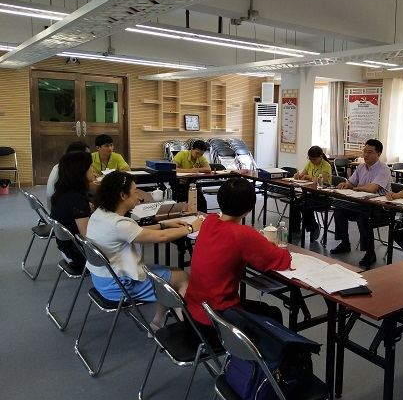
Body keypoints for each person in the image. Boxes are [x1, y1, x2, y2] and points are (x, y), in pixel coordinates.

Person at [86, 171, 201, 331]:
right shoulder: (119, 224)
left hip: (103, 280)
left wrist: (164, 224)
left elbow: (136, 231)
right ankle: (187, 330)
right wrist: (191, 228)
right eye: (135, 192)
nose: (139, 197)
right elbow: (161, 237)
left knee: (168, 274)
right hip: (119, 288)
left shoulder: (100, 214)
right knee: (182, 277)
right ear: (122, 195)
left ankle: (158, 323)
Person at [185, 177, 292, 346]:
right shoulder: (243, 234)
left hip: (192, 314)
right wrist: (269, 245)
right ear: (249, 209)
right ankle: (266, 359)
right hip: (217, 323)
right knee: (273, 313)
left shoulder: (209, 221)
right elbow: (282, 260)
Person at [330, 139, 391, 266]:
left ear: (378, 154)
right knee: (339, 210)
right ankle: (345, 243)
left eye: (370, 152)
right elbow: (351, 182)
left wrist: (356, 188)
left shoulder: (383, 169)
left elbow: (372, 188)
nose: (366, 155)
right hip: (361, 204)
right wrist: (346, 185)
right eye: (365, 151)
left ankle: (370, 253)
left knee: (363, 218)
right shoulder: (361, 167)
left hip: (379, 209)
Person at [50, 151, 94, 273]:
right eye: (90, 166)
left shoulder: (62, 192)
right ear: (80, 171)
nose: (93, 170)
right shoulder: (76, 199)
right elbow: (87, 236)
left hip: (65, 247)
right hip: (78, 254)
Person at [289, 145, 333, 241]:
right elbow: (302, 175)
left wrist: (310, 177)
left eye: (314, 159)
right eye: (310, 158)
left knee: (305, 205)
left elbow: (323, 181)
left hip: (323, 197)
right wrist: (298, 176)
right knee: (294, 204)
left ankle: (313, 227)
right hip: (310, 195)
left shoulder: (326, 165)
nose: (312, 161)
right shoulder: (310, 163)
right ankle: (296, 230)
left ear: (320, 156)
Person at [46, 141, 90, 207]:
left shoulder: (61, 166)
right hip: (60, 206)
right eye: (87, 155)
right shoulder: (71, 170)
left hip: (56, 203)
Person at [172, 140, 211, 213]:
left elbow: (208, 169)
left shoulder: (200, 157)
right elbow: (173, 169)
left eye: (201, 154)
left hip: (192, 184)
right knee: (185, 202)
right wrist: (190, 171)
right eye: (197, 153)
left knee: (202, 202)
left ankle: (203, 217)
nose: (198, 156)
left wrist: (197, 169)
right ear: (192, 149)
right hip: (179, 184)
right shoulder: (182, 154)